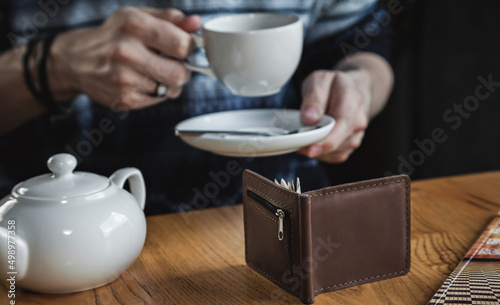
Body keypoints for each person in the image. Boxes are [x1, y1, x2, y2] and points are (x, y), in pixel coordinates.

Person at [0, 0, 393, 215]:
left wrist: (359, 86)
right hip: (68, 231)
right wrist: (49, 66)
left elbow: (363, 46)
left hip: (284, 214)